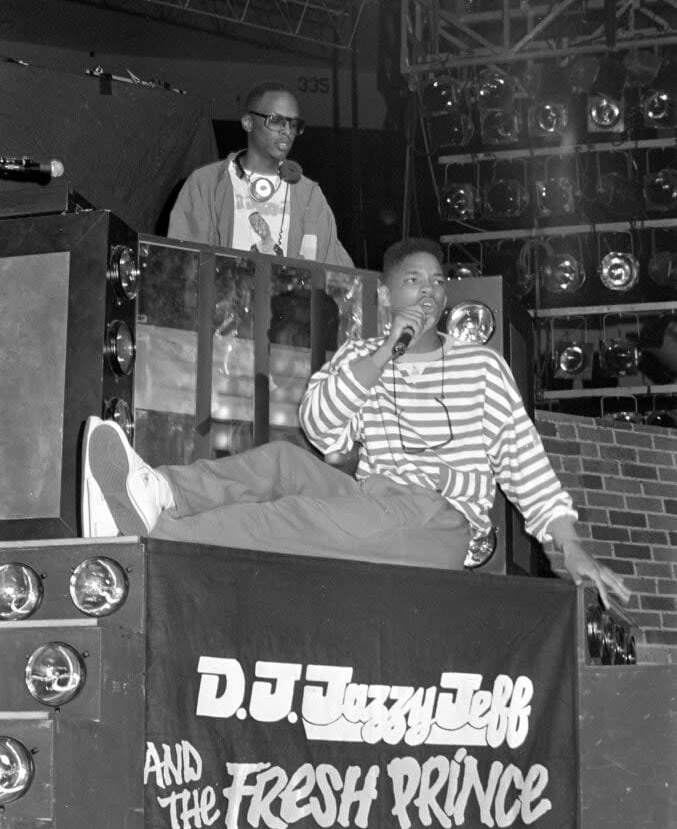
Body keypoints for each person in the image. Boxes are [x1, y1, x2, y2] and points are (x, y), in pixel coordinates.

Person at [81, 237, 629, 608]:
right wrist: (387, 351)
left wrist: (569, 543)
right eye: (416, 281)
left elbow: (522, 457)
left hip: (440, 521)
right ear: (388, 296)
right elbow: (322, 430)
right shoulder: (362, 355)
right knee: (282, 462)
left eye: (438, 282)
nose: (432, 291)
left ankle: (154, 545)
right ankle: (157, 493)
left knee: (296, 517)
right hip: (373, 498)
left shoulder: (479, 364)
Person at [168, 80, 353, 267]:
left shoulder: (309, 196)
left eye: (294, 124)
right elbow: (181, 265)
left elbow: (337, 274)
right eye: (276, 121)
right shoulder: (206, 184)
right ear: (248, 123)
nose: (287, 131)